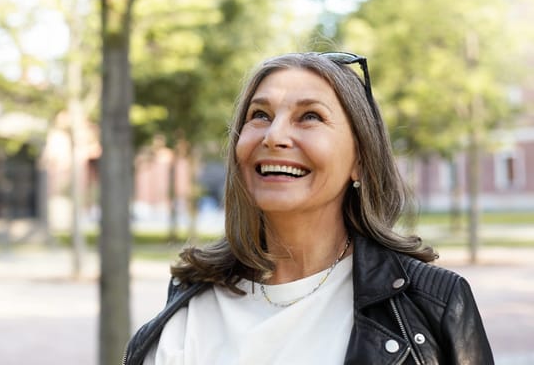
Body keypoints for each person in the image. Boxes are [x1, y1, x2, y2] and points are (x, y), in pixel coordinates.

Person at [123, 52, 494, 364]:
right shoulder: (189, 305)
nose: (274, 136)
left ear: (360, 160)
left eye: (310, 116)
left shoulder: (433, 305)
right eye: (260, 115)